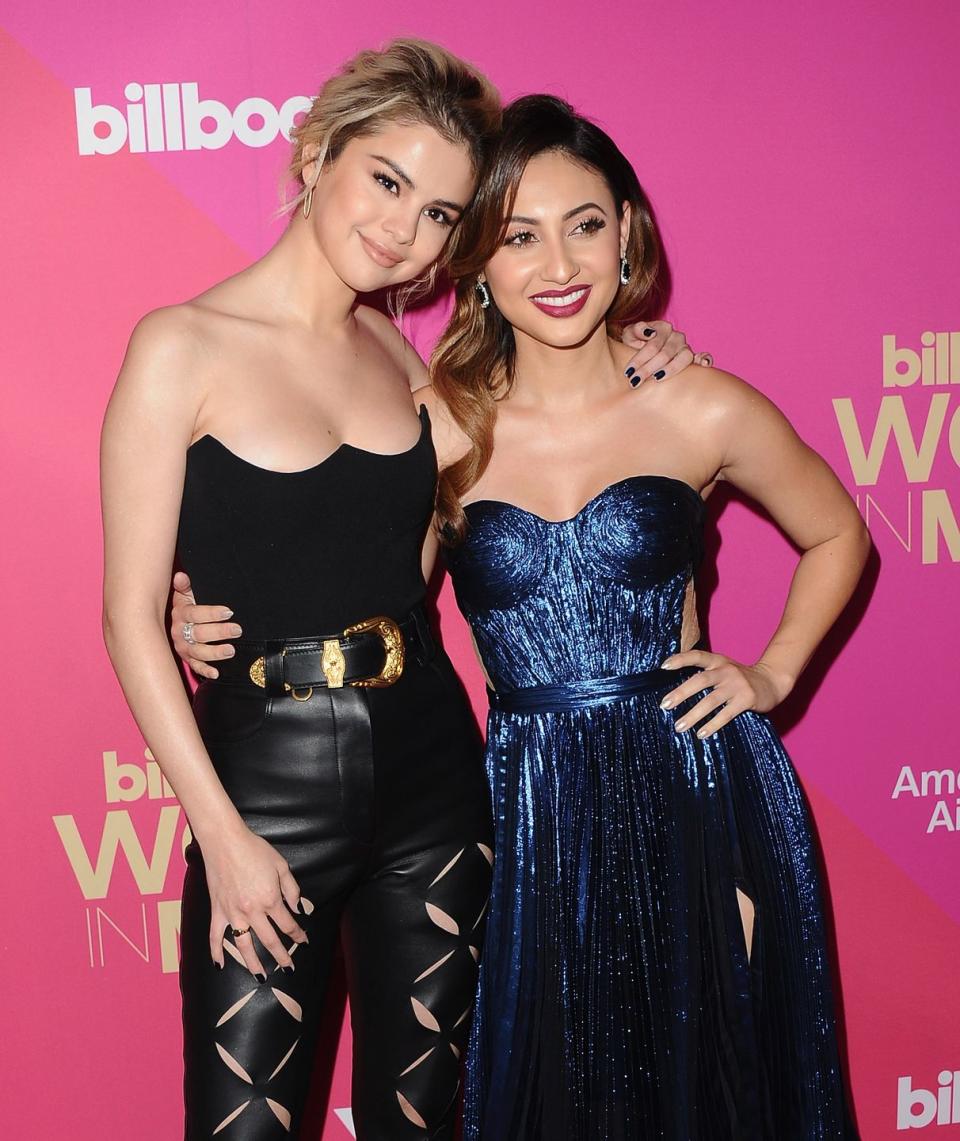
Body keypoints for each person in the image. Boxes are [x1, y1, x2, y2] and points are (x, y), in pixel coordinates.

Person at [178, 94, 869, 1137]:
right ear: (477, 265)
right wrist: (201, 616)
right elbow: (364, 583)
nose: (558, 265)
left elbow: (839, 534)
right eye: (518, 235)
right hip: (527, 803)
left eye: (586, 225)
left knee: (717, 1083)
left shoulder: (697, 402)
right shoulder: (444, 422)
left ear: (628, 231)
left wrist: (769, 674)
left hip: (692, 785)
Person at [102, 41, 698, 1141]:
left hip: (432, 765)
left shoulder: (399, 354)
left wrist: (642, 351)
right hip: (263, 782)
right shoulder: (180, 346)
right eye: (387, 182)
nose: (404, 232)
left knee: (422, 1119)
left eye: (439, 214)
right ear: (319, 152)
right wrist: (221, 834)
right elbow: (130, 619)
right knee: (242, 1123)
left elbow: (487, 471)